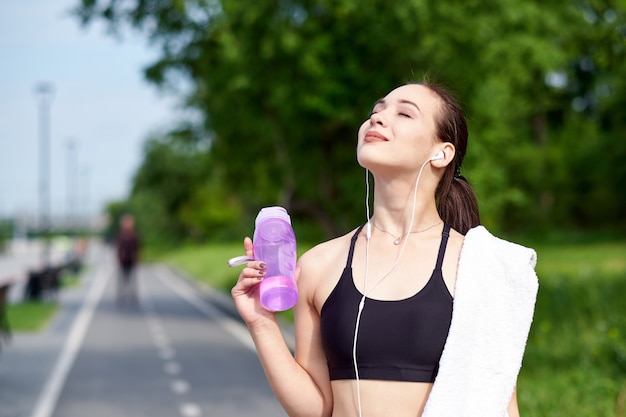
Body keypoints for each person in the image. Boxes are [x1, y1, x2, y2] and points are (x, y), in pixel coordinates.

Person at [231, 82, 539, 417]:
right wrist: (261, 322)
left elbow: (501, 405)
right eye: (376, 111)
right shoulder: (319, 265)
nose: (378, 119)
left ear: (442, 152)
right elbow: (314, 409)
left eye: (404, 113)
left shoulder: (482, 266)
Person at [116, 214, 141, 302]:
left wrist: (137, 258)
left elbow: (137, 248)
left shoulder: (134, 236)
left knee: (133, 278)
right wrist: (118, 258)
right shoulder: (121, 236)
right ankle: (121, 293)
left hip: (132, 260)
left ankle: (133, 293)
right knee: (122, 278)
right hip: (123, 260)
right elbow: (118, 248)